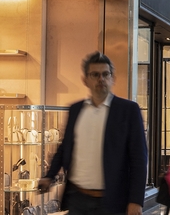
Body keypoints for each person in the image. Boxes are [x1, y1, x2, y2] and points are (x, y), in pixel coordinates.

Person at [38, 51, 147, 215]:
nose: (101, 79)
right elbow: (65, 148)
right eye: (95, 74)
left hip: (112, 202)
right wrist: (49, 175)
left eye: (105, 74)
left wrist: (136, 200)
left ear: (113, 78)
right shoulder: (76, 110)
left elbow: (139, 159)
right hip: (77, 199)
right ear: (85, 80)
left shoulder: (128, 111)